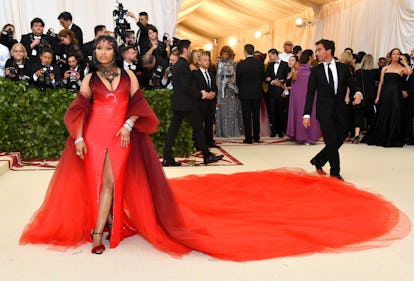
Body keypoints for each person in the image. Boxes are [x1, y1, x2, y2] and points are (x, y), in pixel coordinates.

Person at [18, 39, 408, 258]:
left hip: (120, 134)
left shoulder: (129, 75)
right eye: (99, 49)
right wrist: (81, 135)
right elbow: (77, 108)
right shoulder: (89, 78)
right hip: (95, 134)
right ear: (94, 55)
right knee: (96, 181)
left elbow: (139, 107)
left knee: (111, 181)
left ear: (115, 53)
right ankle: (102, 225)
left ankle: (102, 233)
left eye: (108, 49)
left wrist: (128, 123)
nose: (103, 53)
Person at [303, 39, 363, 180]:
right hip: (324, 111)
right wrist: (306, 114)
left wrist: (358, 93)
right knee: (330, 140)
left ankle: (318, 160)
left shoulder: (343, 68)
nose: (316, 53)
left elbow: (353, 85)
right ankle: (335, 172)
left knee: (340, 138)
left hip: (341, 109)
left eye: (319, 50)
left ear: (328, 51)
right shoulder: (315, 71)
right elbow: (310, 93)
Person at [162, 39, 223, 166]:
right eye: (189, 48)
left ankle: (168, 157)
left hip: (180, 103)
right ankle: (206, 156)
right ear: (185, 50)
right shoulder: (183, 65)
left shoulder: (180, 64)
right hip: (186, 104)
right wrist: (200, 94)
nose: (191, 51)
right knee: (198, 129)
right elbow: (186, 86)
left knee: (174, 130)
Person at [364, 48, 412, 147]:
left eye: (398, 54)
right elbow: (381, 83)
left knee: (395, 114)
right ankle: (382, 136)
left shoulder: (402, 68)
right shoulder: (385, 68)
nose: (396, 56)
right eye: (394, 54)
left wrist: (404, 62)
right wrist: (377, 97)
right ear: (390, 55)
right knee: (384, 115)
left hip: (396, 95)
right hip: (385, 94)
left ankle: (393, 137)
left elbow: (410, 72)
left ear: (400, 56)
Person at [287, 50, 320, 144]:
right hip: (307, 95)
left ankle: (299, 135)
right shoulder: (309, 70)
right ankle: (307, 137)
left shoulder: (300, 70)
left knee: (300, 112)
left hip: (300, 96)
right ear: (310, 57)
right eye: (313, 56)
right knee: (309, 113)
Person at [236, 44, 264, 144]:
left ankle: (248, 138)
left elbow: (237, 80)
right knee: (256, 115)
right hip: (256, 92)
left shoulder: (241, 64)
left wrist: (241, 88)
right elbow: (262, 77)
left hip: (245, 93)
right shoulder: (259, 63)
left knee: (246, 116)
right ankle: (256, 137)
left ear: (245, 51)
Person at [193, 51, 218, 148]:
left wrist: (214, 93)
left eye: (208, 60)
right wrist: (205, 95)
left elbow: (215, 86)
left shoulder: (211, 74)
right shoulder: (196, 74)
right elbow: (195, 88)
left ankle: (210, 141)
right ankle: (199, 143)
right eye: (205, 60)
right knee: (199, 124)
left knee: (209, 122)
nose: (207, 62)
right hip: (201, 103)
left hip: (210, 103)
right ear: (199, 62)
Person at [215, 46, 241, 137]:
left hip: (231, 89)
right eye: (223, 54)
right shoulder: (220, 63)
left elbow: (235, 76)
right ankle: (223, 132)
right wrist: (219, 89)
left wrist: (233, 82)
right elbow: (218, 77)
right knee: (222, 111)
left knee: (231, 111)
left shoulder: (233, 63)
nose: (225, 56)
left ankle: (231, 132)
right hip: (222, 89)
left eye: (226, 54)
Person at [265, 48, 290, 138]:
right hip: (271, 92)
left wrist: (284, 87)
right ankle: (273, 131)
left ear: (275, 54)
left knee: (281, 111)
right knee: (272, 111)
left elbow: (288, 78)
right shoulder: (269, 66)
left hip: (281, 91)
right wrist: (272, 81)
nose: (269, 57)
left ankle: (281, 131)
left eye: (270, 56)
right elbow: (266, 77)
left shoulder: (285, 64)